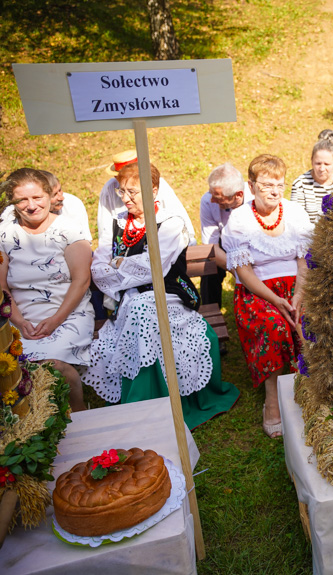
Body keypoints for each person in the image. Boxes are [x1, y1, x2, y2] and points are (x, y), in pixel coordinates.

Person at [83, 163, 239, 430]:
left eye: (133, 191)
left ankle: (146, 404)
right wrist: (118, 269)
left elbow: (153, 268)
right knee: (139, 307)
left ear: (153, 190)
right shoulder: (118, 221)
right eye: (122, 192)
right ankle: (149, 405)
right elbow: (100, 265)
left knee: (143, 307)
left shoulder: (169, 222)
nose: (127, 198)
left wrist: (119, 266)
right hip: (131, 300)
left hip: (171, 295)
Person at [223, 155, 313, 438]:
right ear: (251, 186)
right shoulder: (239, 219)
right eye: (267, 185)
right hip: (258, 292)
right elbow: (245, 273)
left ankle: (312, 393)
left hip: (297, 287)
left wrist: (299, 295)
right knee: (274, 328)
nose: (275, 191)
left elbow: (304, 263)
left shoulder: (295, 213)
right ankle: (272, 403)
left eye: (280, 184)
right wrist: (276, 301)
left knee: (309, 321)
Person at [0, 169, 94, 412]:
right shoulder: (4, 235)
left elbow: (81, 281)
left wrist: (54, 321)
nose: (31, 206)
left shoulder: (70, 230)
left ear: (49, 196)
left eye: (37, 197)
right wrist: (19, 322)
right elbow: (1, 287)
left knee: (51, 363)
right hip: (18, 318)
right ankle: (28, 424)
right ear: (13, 202)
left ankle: (79, 412)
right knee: (13, 364)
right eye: (22, 200)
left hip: (68, 315)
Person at [97, 150, 195, 251]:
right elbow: (104, 224)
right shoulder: (109, 188)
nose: (125, 199)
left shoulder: (158, 185)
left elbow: (178, 217)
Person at [200, 163, 247, 309]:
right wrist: (240, 273)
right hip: (224, 243)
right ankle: (211, 312)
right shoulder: (208, 200)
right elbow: (211, 247)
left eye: (218, 197)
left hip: (251, 240)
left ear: (238, 195)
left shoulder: (255, 199)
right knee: (208, 270)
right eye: (211, 193)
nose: (212, 200)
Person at [0, 170, 91, 242]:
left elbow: (84, 241)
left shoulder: (72, 203)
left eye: (60, 190)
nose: (61, 198)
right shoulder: (11, 214)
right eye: (54, 194)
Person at [290, 134, 333, 224]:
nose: (322, 169)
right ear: (312, 161)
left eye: (327, 164)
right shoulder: (300, 185)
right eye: (318, 163)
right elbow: (295, 220)